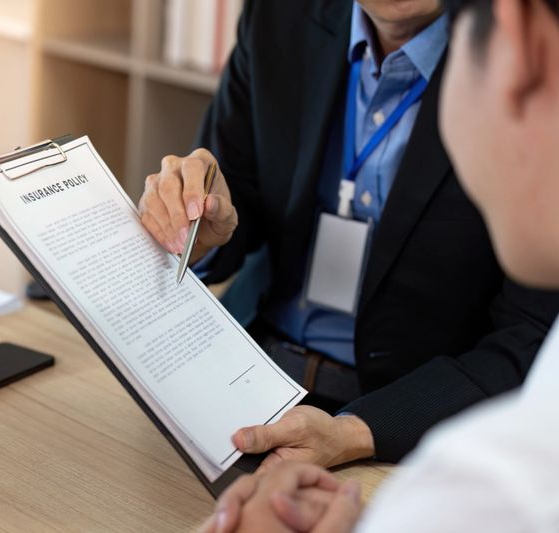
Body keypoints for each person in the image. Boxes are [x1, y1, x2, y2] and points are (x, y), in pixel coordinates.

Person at [138, 0, 559, 468]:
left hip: (402, 420)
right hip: (248, 369)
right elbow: (238, 193)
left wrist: (357, 432)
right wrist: (199, 224)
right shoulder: (280, 15)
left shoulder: (520, 59)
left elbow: (535, 334)